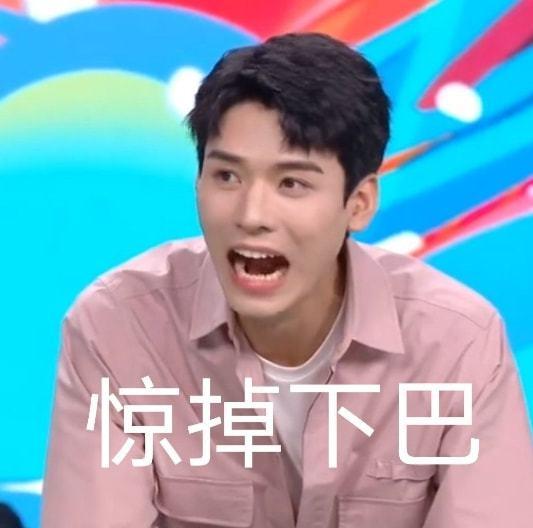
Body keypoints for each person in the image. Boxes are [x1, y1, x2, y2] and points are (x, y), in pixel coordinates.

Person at [41, 33, 533, 527]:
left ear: (359, 203)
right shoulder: (118, 327)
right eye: (227, 177)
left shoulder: (458, 346)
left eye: (292, 183)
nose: (251, 215)